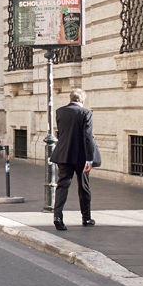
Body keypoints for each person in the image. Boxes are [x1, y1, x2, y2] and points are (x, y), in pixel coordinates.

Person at [50, 88, 100, 231]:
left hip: (64, 154)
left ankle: (57, 216)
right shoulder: (86, 113)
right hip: (81, 156)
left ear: (70, 98)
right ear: (82, 100)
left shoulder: (60, 112)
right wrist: (90, 159)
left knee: (62, 185)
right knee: (84, 187)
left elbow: (63, 133)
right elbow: (88, 137)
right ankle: (86, 218)